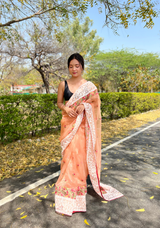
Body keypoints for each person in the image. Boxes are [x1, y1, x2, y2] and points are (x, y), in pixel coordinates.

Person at [55, 53, 123, 216]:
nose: (74, 69)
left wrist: (84, 106)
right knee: (68, 157)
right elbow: (59, 103)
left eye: (77, 66)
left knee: (79, 157)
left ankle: (79, 187)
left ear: (82, 67)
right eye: (71, 66)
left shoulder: (88, 86)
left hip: (82, 127)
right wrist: (66, 108)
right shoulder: (62, 84)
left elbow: (96, 104)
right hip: (68, 126)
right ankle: (67, 187)